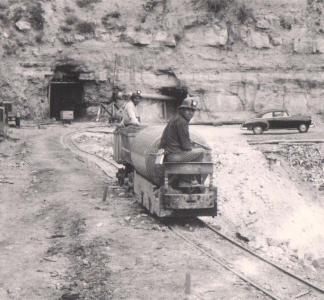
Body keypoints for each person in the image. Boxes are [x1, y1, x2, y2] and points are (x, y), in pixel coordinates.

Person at [159, 97, 207, 189]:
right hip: (175, 155)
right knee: (201, 152)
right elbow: (186, 147)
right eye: (188, 110)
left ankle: (184, 178)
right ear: (182, 110)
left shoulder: (175, 119)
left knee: (194, 152)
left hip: (169, 153)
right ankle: (189, 180)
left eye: (193, 111)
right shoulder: (182, 122)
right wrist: (192, 146)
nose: (191, 113)